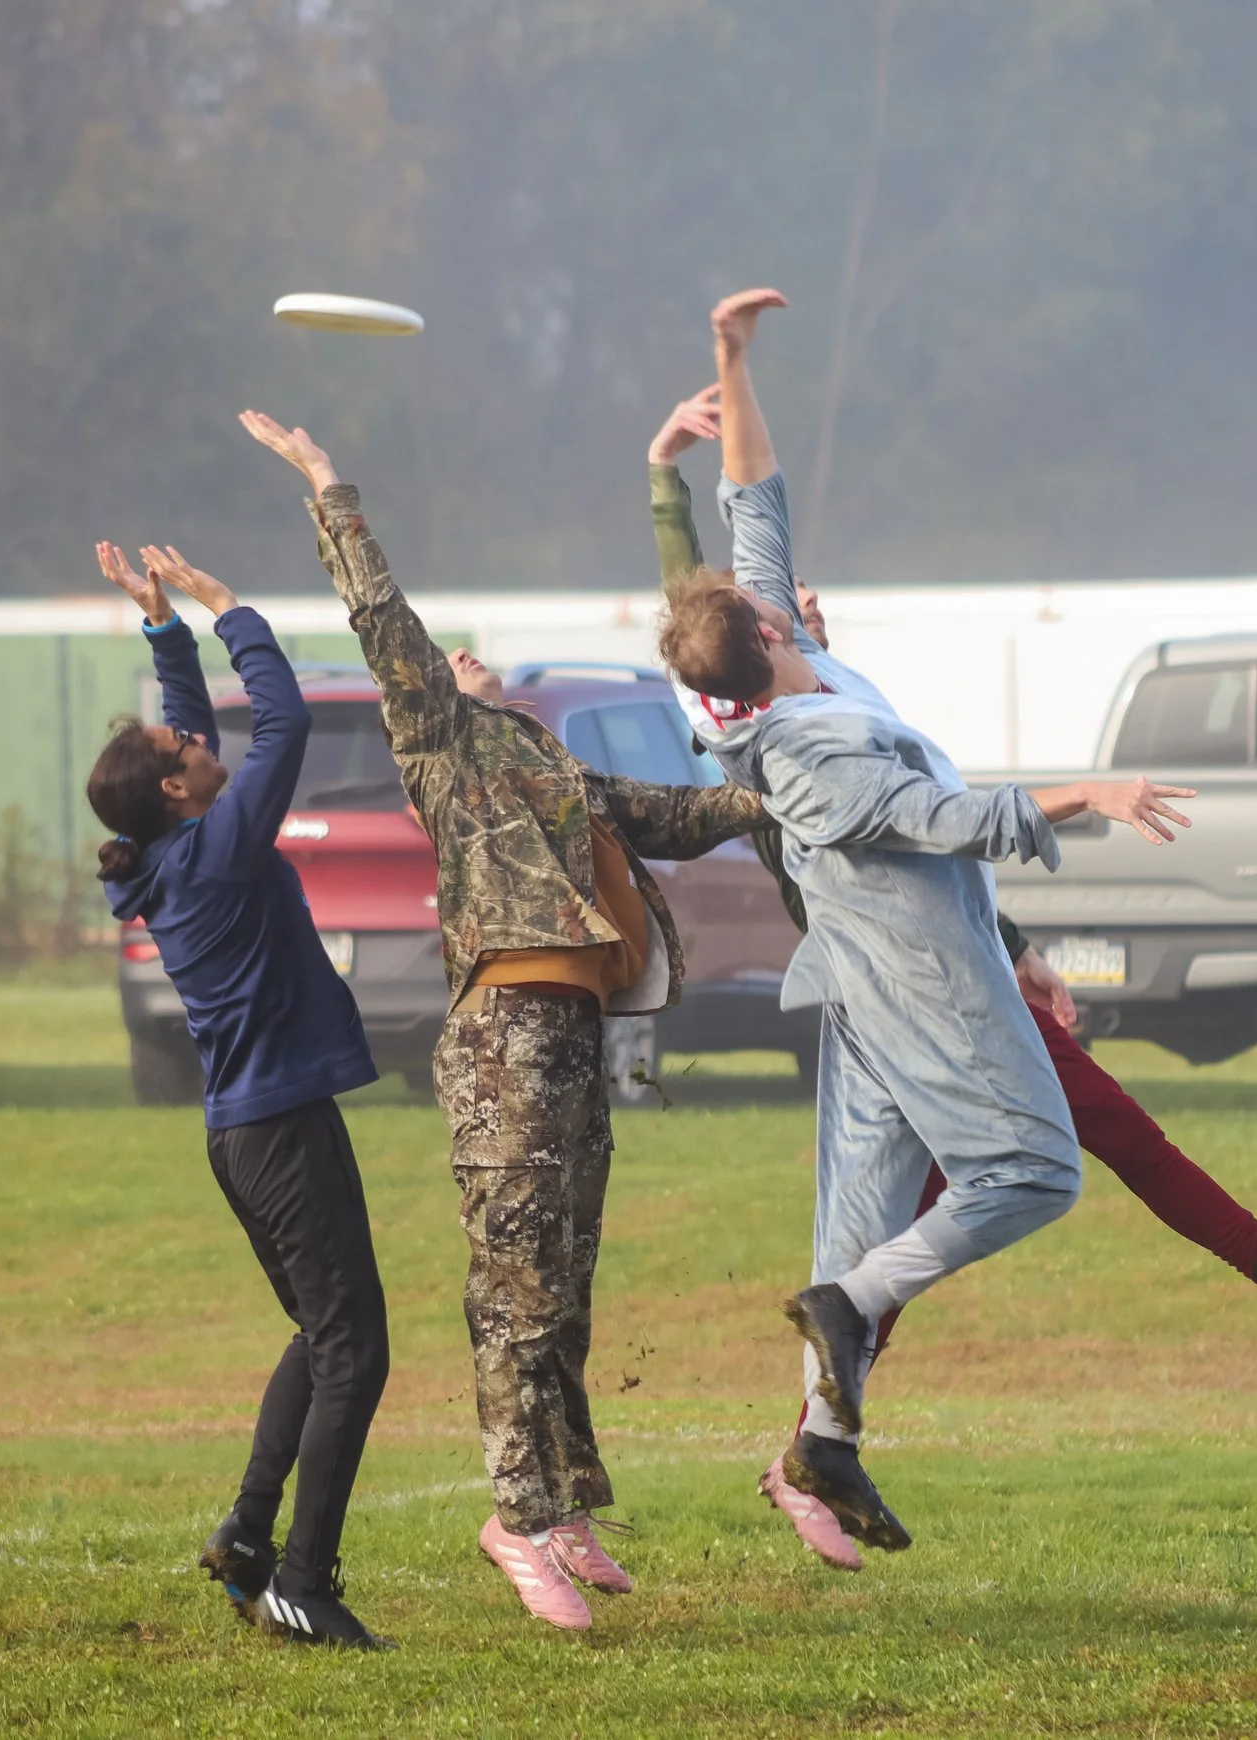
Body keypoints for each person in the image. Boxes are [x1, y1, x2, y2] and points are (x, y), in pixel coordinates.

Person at [645, 376, 1257, 1571]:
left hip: (937, 966)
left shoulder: (791, 667)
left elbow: (750, 521)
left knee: (879, 1235)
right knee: (1049, 1164)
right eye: (773, 609)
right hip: (916, 994)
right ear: (754, 646)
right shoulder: (796, 747)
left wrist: (727, 370)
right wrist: (1084, 801)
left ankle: (819, 1447)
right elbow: (941, 822)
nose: (790, 598)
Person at [237, 409, 768, 1633]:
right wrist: (330, 487)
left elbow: (666, 812)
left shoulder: (546, 757)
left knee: (564, 1282)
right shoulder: (438, 736)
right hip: (508, 1036)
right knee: (517, 1293)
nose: (464, 657)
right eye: (451, 659)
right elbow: (383, 622)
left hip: (575, 1036)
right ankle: (514, 1519)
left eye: (474, 658)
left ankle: (563, 1504)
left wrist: (771, 793)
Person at [86, 541, 390, 1650]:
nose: (199, 738)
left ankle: (252, 1539)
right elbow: (285, 722)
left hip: (248, 1131)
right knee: (355, 1347)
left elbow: (199, 735)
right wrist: (229, 610)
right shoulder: (213, 851)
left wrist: (163, 627)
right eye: (183, 745)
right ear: (175, 790)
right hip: (277, 1131)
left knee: (323, 1332)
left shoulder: (175, 842)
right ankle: (304, 1582)